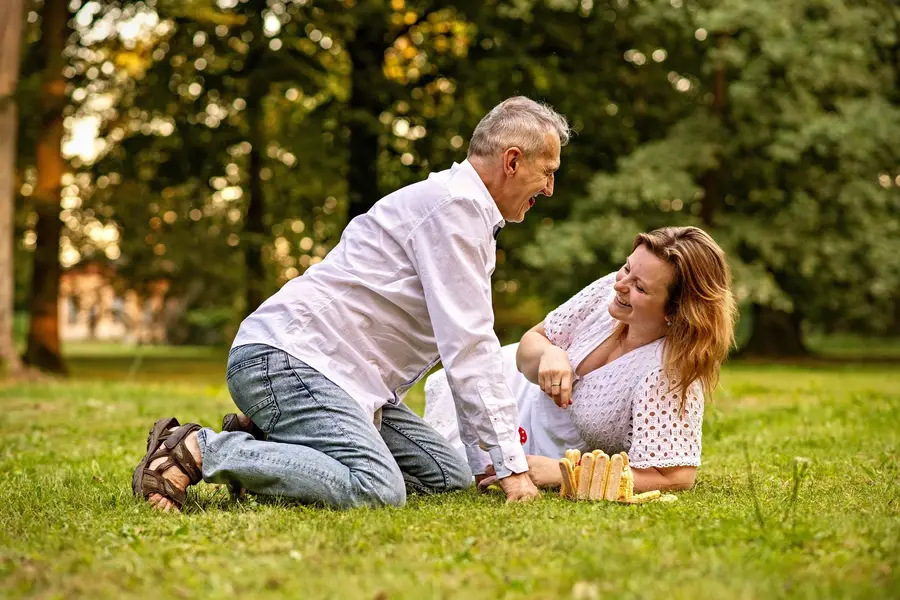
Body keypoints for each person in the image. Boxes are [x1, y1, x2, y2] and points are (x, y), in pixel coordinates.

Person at [132, 96, 571, 511]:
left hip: (344, 379)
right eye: (547, 171)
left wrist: (485, 465)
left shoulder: (463, 209)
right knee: (379, 489)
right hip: (287, 360)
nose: (551, 188)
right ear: (512, 161)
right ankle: (197, 450)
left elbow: (463, 353)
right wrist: (514, 471)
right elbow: (470, 348)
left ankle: (273, 449)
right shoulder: (455, 211)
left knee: (444, 476)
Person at [424, 226, 737, 493]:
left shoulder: (664, 374)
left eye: (639, 287)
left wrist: (566, 473)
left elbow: (676, 478)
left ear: (674, 312)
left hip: (543, 451)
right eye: (627, 268)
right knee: (434, 453)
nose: (620, 284)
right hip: (508, 383)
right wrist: (551, 352)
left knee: (446, 475)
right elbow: (533, 341)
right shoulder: (608, 294)